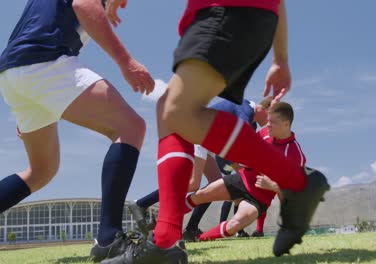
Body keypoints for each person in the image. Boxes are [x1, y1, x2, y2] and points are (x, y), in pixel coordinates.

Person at [103, 0, 329, 263]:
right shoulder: (248, 114)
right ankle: (166, 239)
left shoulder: (249, 114)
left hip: (226, 11)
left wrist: (281, 59)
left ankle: (297, 182)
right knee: (171, 112)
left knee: (176, 112)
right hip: (224, 16)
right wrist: (280, 58)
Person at [0, 0, 154, 262]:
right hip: (44, 61)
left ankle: (108, 237)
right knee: (130, 127)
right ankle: (109, 240)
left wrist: (32, 96)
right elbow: (84, 4)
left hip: (15, 72)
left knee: (41, 172)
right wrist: (126, 61)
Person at [127, 98, 271, 239]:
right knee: (193, 183)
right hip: (198, 134)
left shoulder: (252, 124)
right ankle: (141, 204)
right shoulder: (245, 107)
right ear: (264, 108)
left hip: (207, 141)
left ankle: (191, 228)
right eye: (271, 117)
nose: (270, 123)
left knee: (214, 184)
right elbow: (243, 139)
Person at [184, 102, 303, 242]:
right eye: (268, 120)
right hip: (242, 179)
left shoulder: (296, 156)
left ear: (286, 124)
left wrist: (273, 186)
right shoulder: (264, 133)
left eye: (272, 122)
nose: (267, 124)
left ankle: (201, 239)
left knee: (236, 223)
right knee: (200, 195)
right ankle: (163, 224)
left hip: (259, 198)